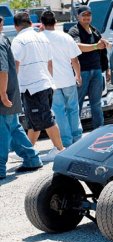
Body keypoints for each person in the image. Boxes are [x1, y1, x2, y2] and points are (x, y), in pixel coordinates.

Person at [11, 12, 64, 162]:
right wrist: (51, 80)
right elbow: (50, 62)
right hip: (45, 83)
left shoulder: (19, 40)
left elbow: (15, 63)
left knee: (45, 118)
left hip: (32, 86)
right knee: (34, 121)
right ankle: (29, 150)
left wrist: (12, 86)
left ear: (16, 26)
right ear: (29, 23)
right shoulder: (42, 37)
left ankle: (59, 149)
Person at [0, 31, 43, 179]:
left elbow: (2, 71)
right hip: (8, 93)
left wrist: (3, 94)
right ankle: (32, 159)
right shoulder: (3, 38)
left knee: (3, 131)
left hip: (4, 95)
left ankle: (0, 168)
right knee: (12, 127)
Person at [40, 11, 83, 148]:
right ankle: (77, 138)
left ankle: (66, 140)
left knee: (59, 112)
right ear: (55, 21)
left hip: (51, 81)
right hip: (68, 79)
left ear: (42, 23)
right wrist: (78, 75)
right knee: (73, 109)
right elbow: (74, 60)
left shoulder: (39, 38)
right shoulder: (65, 36)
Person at [68, 6, 109, 129]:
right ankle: (76, 132)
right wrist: (96, 46)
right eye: (83, 15)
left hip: (96, 71)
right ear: (78, 16)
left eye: (88, 15)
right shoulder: (74, 31)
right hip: (82, 72)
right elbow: (77, 46)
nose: (86, 17)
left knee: (96, 104)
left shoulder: (95, 30)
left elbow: (103, 52)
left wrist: (107, 69)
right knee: (78, 104)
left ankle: (99, 130)